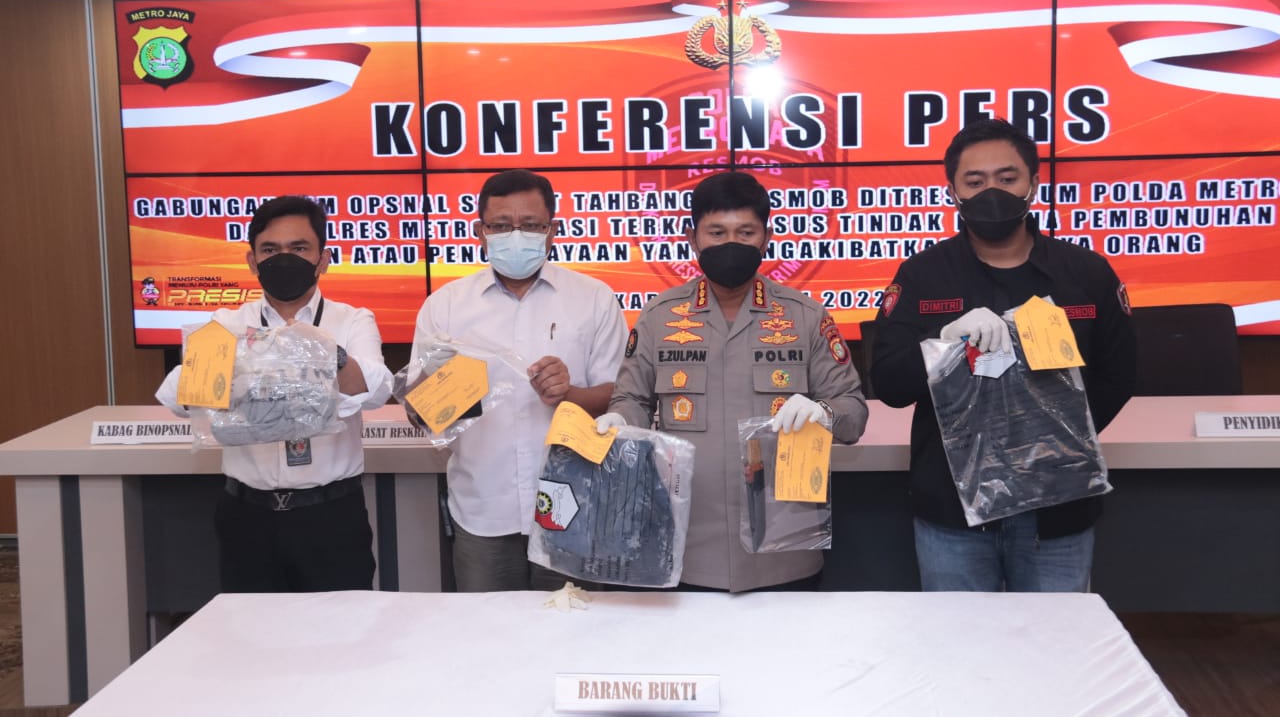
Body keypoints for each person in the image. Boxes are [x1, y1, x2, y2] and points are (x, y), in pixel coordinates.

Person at [871, 117, 1137, 592]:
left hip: (1057, 508)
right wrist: (942, 342)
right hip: (953, 511)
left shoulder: (1085, 273)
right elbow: (888, 383)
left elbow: (1120, 375)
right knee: (961, 639)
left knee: (1054, 637)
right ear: (953, 191)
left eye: (1007, 177)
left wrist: (1055, 441)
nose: (991, 191)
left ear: (1033, 182)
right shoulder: (922, 275)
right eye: (975, 182)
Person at [603, 171, 868, 592]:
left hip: (783, 547)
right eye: (717, 232)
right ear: (692, 239)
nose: (731, 243)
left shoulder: (804, 316)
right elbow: (633, 399)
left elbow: (853, 413)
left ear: (766, 239)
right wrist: (619, 420)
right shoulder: (660, 316)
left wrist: (824, 412)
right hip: (683, 545)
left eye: (745, 232)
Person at [156, 195, 392, 592]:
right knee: (251, 627)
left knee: (342, 626)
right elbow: (178, 397)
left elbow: (377, 389)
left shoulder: (352, 320)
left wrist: (323, 352)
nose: (284, 259)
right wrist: (248, 364)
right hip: (247, 517)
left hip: (331, 516)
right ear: (252, 261)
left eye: (299, 248)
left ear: (323, 259)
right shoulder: (226, 323)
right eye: (270, 250)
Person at [411, 169, 628, 591]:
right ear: (480, 232)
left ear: (552, 231)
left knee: (573, 627)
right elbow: (422, 416)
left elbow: (620, 398)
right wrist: (440, 393)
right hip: (482, 508)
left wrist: (569, 394)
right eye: (500, 226)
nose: (516, 236)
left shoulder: (593, 299)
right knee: (490, 630)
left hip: (574, 506)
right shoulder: (446, 307)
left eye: (530, 225)